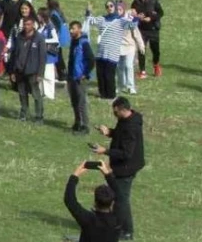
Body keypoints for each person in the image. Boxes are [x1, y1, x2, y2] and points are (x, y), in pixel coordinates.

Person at [92, 97, 145, 240]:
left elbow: (126, 153)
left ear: (123, 110)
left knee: (121, 200)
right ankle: (117, 226)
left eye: (115, 113)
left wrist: (105, 151)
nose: (114, 115)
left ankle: (126, 231)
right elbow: (121, 135)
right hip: (123, 166)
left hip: (126, 168)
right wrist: (109, 132)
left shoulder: (131, 128)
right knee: (119, 197)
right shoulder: (127, 119)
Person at [63, 160, 121, 242]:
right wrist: (108, 174)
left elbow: (70, 200)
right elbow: (120, 197)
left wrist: (74, 176)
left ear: (95, 202)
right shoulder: (117, 219)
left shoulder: (88, 219)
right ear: (112, 202)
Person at [8, 17, 47, 123]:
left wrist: (40, 73)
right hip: (20, 71)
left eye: (29, 24)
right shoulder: (19, 36)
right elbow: (14, 54)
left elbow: (42, 57)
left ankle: (39, 116)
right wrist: (12, 71)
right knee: (22, 93)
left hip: (33, 72)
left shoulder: (39, 38)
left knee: (36, 95)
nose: (26, 27)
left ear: (33, 25)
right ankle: (24, 113)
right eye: (25, 24)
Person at [67, 20, 96, 135]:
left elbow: (91, 60)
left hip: (80, 77)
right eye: (70, 29)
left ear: (79, 29)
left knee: (81, 102)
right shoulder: (73, 42)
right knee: (74, 101)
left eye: (73, 28)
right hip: (72, 77)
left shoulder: (83, 43)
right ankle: (77, 122)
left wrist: (85, 73)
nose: (71, 31)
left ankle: (85, 125)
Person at [130, 0, 163, 78]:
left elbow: (161, 13)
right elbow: (132, 12)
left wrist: (151, 18)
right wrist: (136, 15)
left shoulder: (153, 0)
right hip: (141, 29)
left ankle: (156, 65)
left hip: (153, 29)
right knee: (141, 49)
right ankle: (142, 71)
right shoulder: (136, 1)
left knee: (155, 50)